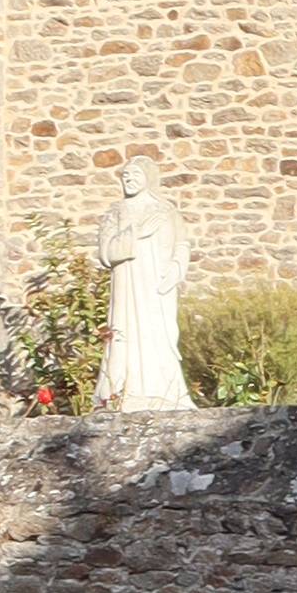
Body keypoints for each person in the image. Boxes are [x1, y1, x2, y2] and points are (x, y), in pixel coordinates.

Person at [93, 158, 192, 411]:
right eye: (125, 175)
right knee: (125, 331)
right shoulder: (115, 212)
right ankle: (121, 391)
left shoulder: (167, 211)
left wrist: (176, 269)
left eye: (135, 174)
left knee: (157, 331)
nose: (128, 179)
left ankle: (163, 390)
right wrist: (137, 233)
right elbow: (106, 253)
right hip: (127, 283)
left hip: (157, 287)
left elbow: (181, 244)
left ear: (148, 176)